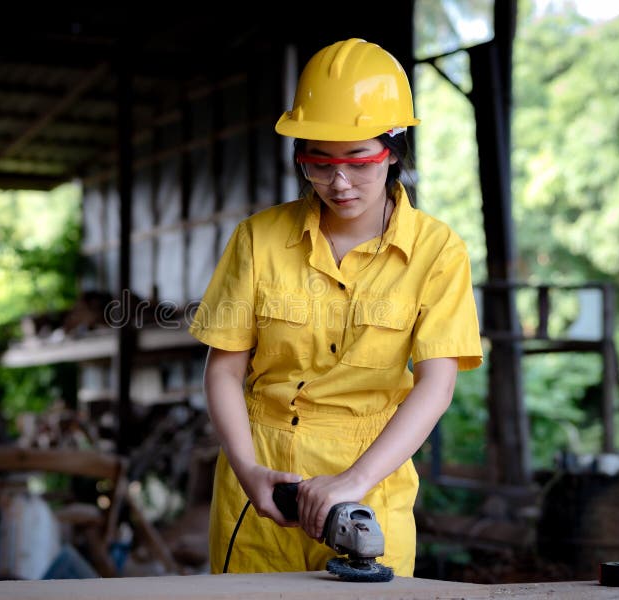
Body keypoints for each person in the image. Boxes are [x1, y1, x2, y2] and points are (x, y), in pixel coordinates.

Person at [188, 37, 483, 577]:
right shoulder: (258, 240)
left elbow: (436, 385)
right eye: (318, 163)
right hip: (262, 489)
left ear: (393, 149)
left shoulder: (438, 252)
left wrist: (353, 480)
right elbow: (223, 371)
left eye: (358, 161)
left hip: (371, 485)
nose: (339, 182)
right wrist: (249, 470)